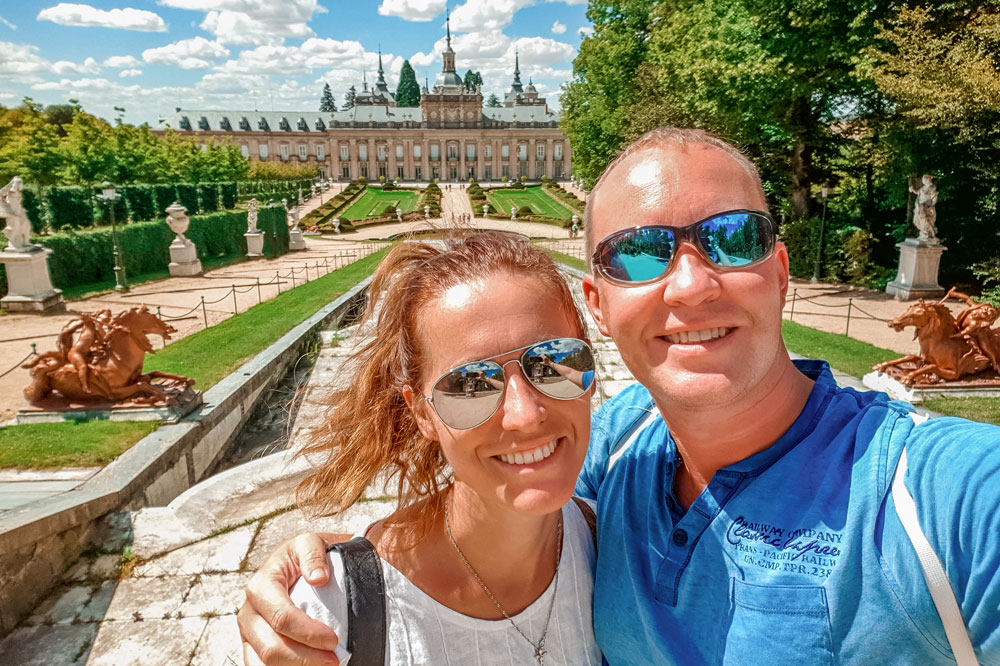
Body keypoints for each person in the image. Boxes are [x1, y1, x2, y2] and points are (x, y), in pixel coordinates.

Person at [239, 128, 1000, 665]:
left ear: (778, 269)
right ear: (598, 305)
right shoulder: (614, 448)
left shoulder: (945, 496)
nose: (692, 285)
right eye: (639, 253)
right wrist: (343, 570)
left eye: (733, 238)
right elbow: (501, 477)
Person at [266, 232, 602, 666]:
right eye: (470, 384)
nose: (525, 414)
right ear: (421, 413)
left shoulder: (615, 544)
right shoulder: (329, 615)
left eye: (553, 362)